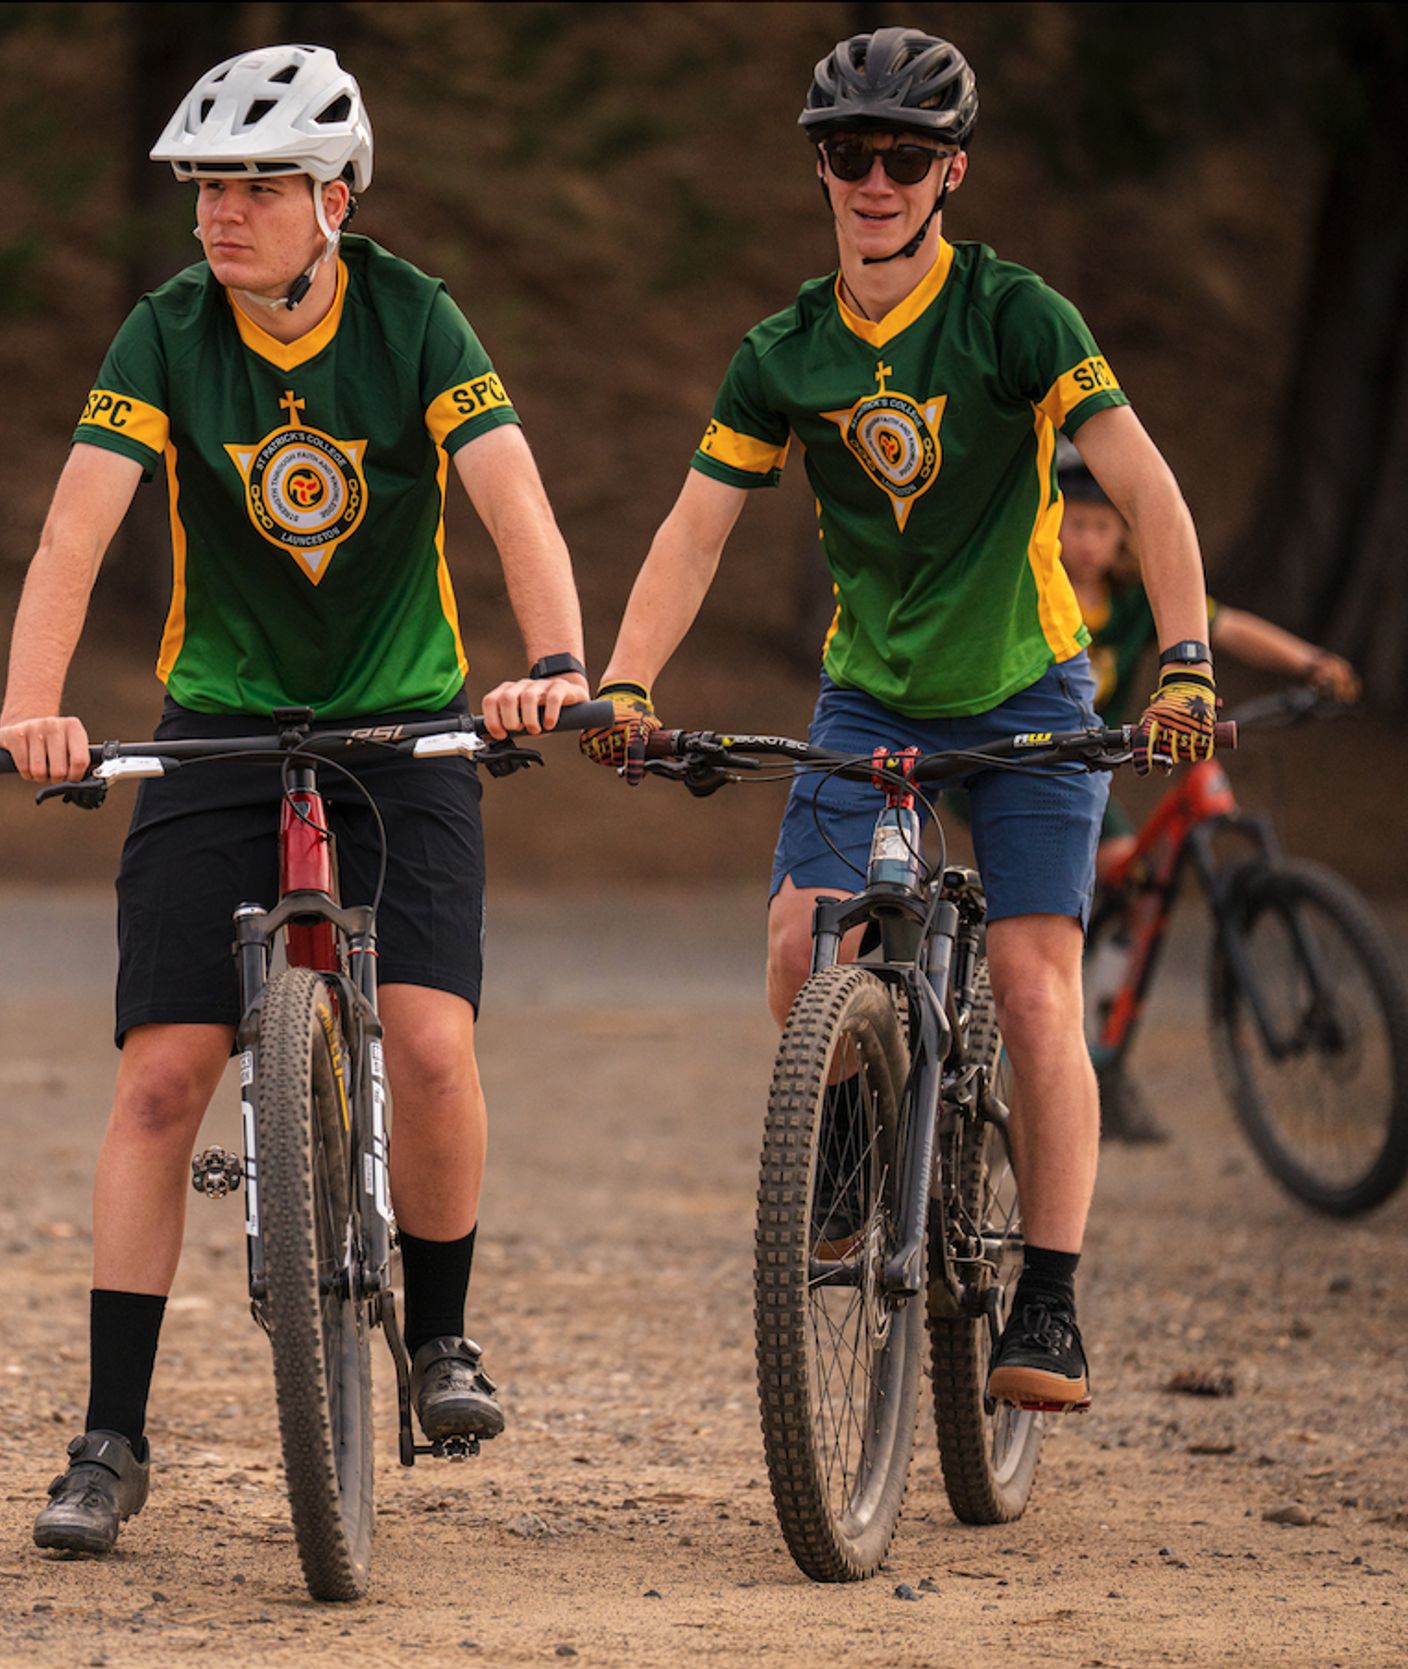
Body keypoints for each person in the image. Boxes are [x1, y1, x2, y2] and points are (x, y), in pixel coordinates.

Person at [0, 44, 592, 1555]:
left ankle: (439, 1338)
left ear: (336, 199)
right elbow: (74, 533)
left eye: (256, 185)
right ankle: (110, 1437)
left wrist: (555, 667)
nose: (220, 213)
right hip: (220, 728)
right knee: (159, 1082)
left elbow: (513, 498)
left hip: (404, 729)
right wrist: (32, 706)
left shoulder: (415, 316)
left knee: (433, 1045)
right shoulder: (166, 330)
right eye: (205, 187)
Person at [582, 27, 1220, 1413]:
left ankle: (1047, 1295)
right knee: (798, 945)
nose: (875, 181)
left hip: (1030, 686)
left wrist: (1183, 664)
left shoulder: (1016, 317)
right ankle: (856, 1132)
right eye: (849, 154)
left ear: (951, 174)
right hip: (871, 693)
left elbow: (1147, 489)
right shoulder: (784, 352)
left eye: (905, 158)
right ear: (820, 168)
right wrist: (626, 683)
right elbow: (694, 533)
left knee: (1039, 988)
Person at [1056, 437, 1359, 1142]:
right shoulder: (1035, 591)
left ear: (1124, 536)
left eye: (1103, 526)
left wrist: (1310, 662)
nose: (1089, 541)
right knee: (1112, 874)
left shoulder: (1136, 600)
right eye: (1076, 524)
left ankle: (1101, 1054)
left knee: (1132, 887)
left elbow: (1226, 626)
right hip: (1028, 761)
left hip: (1090, 774)